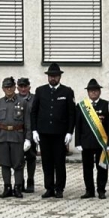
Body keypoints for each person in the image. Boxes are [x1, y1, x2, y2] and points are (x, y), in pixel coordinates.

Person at [30, 63, 75, 198]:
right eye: (51, 76)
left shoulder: (67, 92)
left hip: (60, 133)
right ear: (47, 77)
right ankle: (49, 188)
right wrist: (34, 130)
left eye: (55, 76)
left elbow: (71, 114)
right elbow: (34, 112)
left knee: (59, 162)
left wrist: (69, 132)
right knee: (47, 162)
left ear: (59, 77)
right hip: (44, 133)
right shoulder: (40, 91)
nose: (53, 78)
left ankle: (59, 188)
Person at [75, 78, 109, 199]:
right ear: (88, 92)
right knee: (87, 169)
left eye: (95, 90)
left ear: (99, 92)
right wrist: (78, 142)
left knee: (102, 167)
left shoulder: (106, 105)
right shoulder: (82, 106)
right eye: (91, 91)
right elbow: (78, 125)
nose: (93, 93)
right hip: (86, 142)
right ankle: (89, 190)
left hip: (101, 143)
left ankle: (101, 190)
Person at [0, 76, 31, 199]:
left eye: (11, 87)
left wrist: (28, 139)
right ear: (3, 89)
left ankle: (18, 187)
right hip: (2, 137)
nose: (9, 89)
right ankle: (7, 187)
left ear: (15, 88)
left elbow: (27, 123)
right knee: (4, 164)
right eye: (6, 87)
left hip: (17, 137)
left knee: (18, 164)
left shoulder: (22, 102)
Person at [16, 77, 36, 193]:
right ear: (17, 87)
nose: (23, 89)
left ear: (29, 87)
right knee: (18, 158)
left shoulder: (34, 99)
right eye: (21, 86)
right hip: (18, 133)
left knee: (31, 157)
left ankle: (30, 180)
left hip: (31, 132)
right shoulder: (15, 99)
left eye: (25, 86)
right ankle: (20, 181)